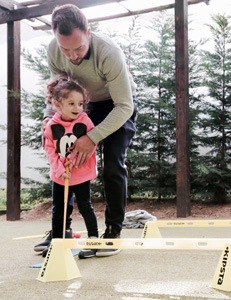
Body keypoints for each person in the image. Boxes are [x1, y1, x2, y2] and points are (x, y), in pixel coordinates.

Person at [35, 3, 137, 258]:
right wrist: (50, 120)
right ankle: (61, 232)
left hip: (116, 105)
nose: (72, 56)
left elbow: (125, 105)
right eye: (65, 49)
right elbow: (58, 91)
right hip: (80, 106)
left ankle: (112, 233)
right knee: (65, 159)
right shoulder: (53, 50)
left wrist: (91, 138)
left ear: (88, 32)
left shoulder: (108, 52)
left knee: (112, 164)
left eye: (78, 48)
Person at [42, 76, 99, 258]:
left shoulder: (85, 121)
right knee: (59, 208)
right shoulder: (51, 126)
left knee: (85, 206)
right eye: (72, 103)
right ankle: (57, 243)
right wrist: (60, 170)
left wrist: (72, 163)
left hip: (80, 173)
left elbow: (92, 144)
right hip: (60, 176)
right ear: (58, 105)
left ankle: (93, 241)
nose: (77, 108)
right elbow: (50, 149)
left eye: (80, 104)